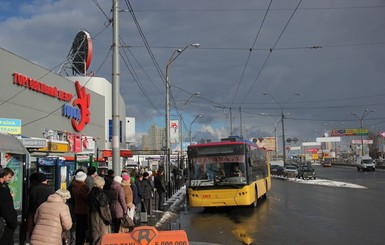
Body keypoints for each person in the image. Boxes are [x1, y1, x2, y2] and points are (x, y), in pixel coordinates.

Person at [27, 173, 54, 239]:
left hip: (35, 217)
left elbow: (31, 206)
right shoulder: (49, 190)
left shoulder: (32, 190)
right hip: (47, 217)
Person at [88, 176, 112, 245]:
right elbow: (104, 209)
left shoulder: (91, 193)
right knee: (102, 238)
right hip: (100, 220)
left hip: (93, 218)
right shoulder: (100, 194)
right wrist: (108, 219)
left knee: (94, 237)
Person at [0, 168, 18, 245]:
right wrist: (13, 223)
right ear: (4, 176)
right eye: (9, 177)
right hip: (4, 226)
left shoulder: (5, 188)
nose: (10, 179)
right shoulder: (3, 191)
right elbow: (7, 209)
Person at [72, 171, 90, 245]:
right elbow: (87, 198)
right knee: (82, 229)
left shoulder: (73, 185)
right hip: (83, 210)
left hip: (76, 209)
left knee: (78, 228)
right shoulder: (83, 187)